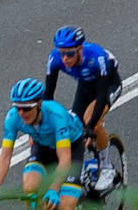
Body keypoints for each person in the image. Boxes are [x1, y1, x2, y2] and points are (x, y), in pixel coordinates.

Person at [0, 79, 87, 210]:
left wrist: (53, 188)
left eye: (26, 108)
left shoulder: (56, 116)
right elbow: (5, 156)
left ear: (39, 104)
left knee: (65, 209)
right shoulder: (13, 118)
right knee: (30, 189)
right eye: (17, 107)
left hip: (71, 147)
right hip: (43, 146)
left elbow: (64, 159)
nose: (21, 113)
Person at [44, 26, 122, 190]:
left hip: (107, 85)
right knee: (72, 124)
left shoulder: (97, 57)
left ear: (80, 49)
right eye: (61, 53)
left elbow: (101, 96)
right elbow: (48, 94)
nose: (65, 58)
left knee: (91, 121)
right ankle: (85, 164)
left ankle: (108, 168)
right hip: (85, 87)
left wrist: (91, 126)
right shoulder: (55, 59)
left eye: (70, 53)